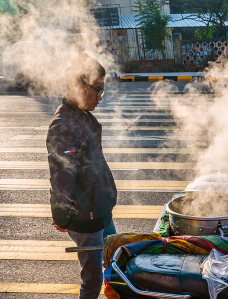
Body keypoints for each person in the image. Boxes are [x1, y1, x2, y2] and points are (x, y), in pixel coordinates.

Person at [46, 53, 117, 299]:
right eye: (97, 90)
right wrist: (62, 216)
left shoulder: (82, 116)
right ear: (78, 84)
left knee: (114, 263)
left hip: (100, 211)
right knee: (92, 281)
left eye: (102, 91)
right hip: (86, 218)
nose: (100, 97)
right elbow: (61, 176)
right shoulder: (64, 124)